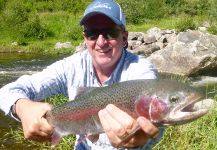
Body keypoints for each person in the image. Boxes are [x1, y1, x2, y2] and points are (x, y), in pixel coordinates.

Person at [0, 0, 164, 149]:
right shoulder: (71, 66)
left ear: (124, 37)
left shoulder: (140, 70)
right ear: (85, 38)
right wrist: (21, 107)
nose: (101, 42)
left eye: (110, 32)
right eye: (92, 33)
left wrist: (140, 141)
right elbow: (6, 91)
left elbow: (157, 115)